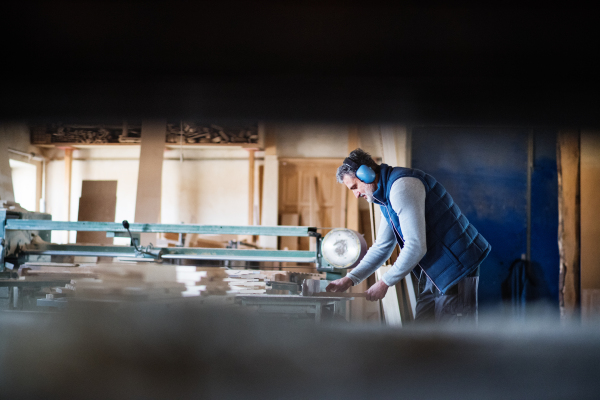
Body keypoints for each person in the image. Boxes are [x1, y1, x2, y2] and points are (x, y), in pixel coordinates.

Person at [326, 148, 491, 323]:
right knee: (421, 330)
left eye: (355, 187)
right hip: (436, 268)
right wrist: (350, 279)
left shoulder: (402, 187)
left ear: (367, 174)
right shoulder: (386, 196)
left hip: (457, 266)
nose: (356, 194)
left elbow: (416, 246)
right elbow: (382, 246)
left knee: (453, 337)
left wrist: (384, 283)